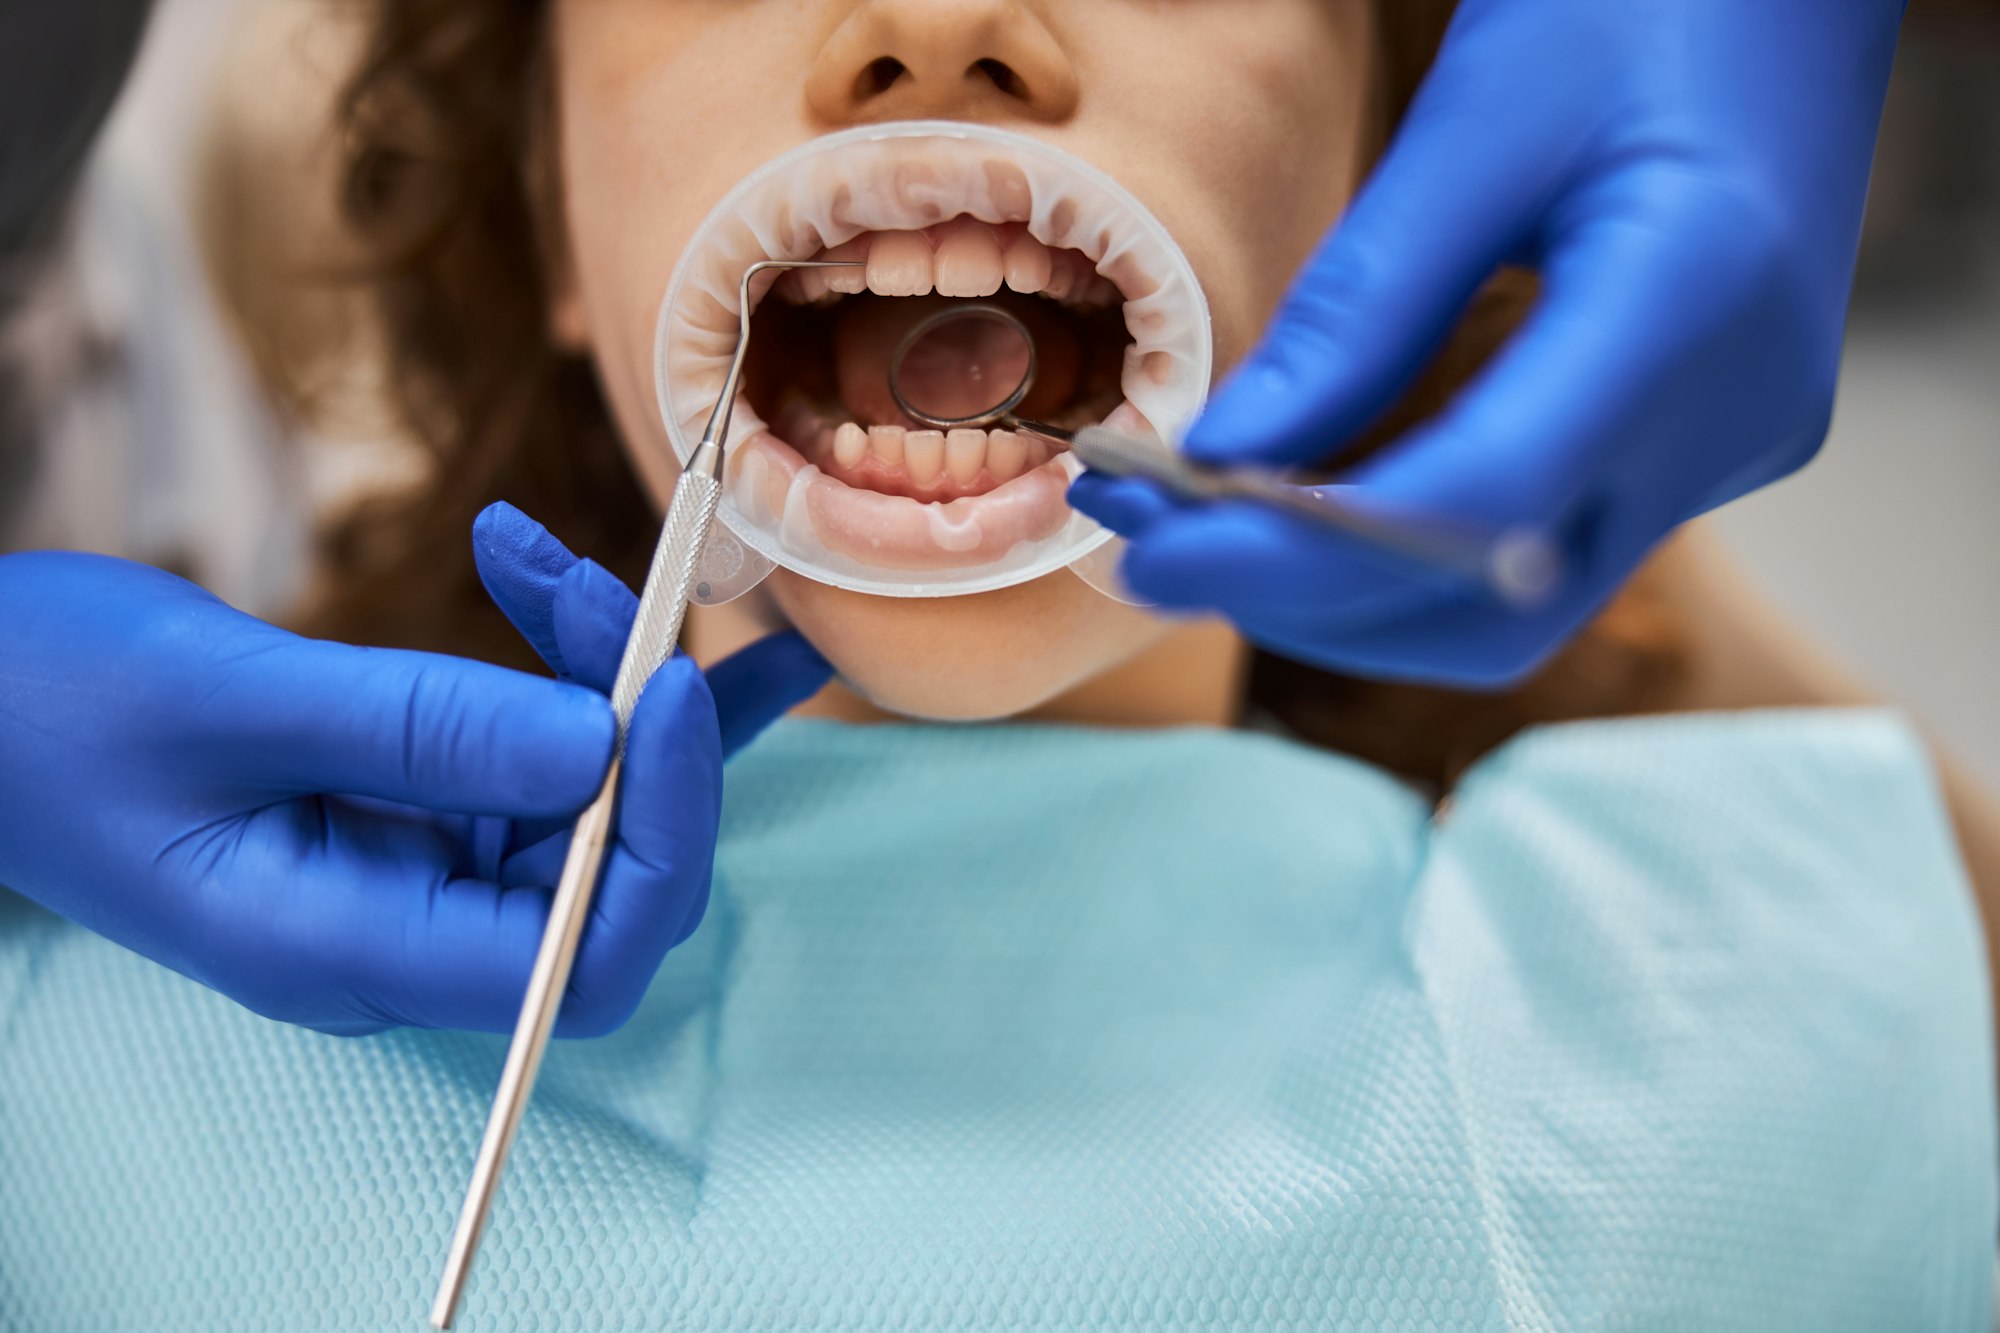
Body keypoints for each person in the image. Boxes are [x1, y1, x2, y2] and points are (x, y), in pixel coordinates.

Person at [1, 2, 1991, 1329]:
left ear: (1416, 157)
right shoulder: (72, 1045)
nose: (936, 23)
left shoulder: (1726, 1017)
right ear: (546, 206)